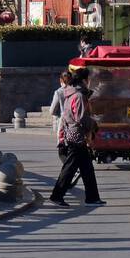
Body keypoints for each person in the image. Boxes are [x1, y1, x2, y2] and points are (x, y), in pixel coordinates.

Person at [49, 72, 104, 207]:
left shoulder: (72, 94)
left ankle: (92, 197)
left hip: (75, 135)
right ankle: (57, 195)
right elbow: (81, 118)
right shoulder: (78, 96)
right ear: (84, 81)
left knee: (87, 169)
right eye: (88, 80)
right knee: (69, 168)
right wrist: (93, 124)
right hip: (76, 137)